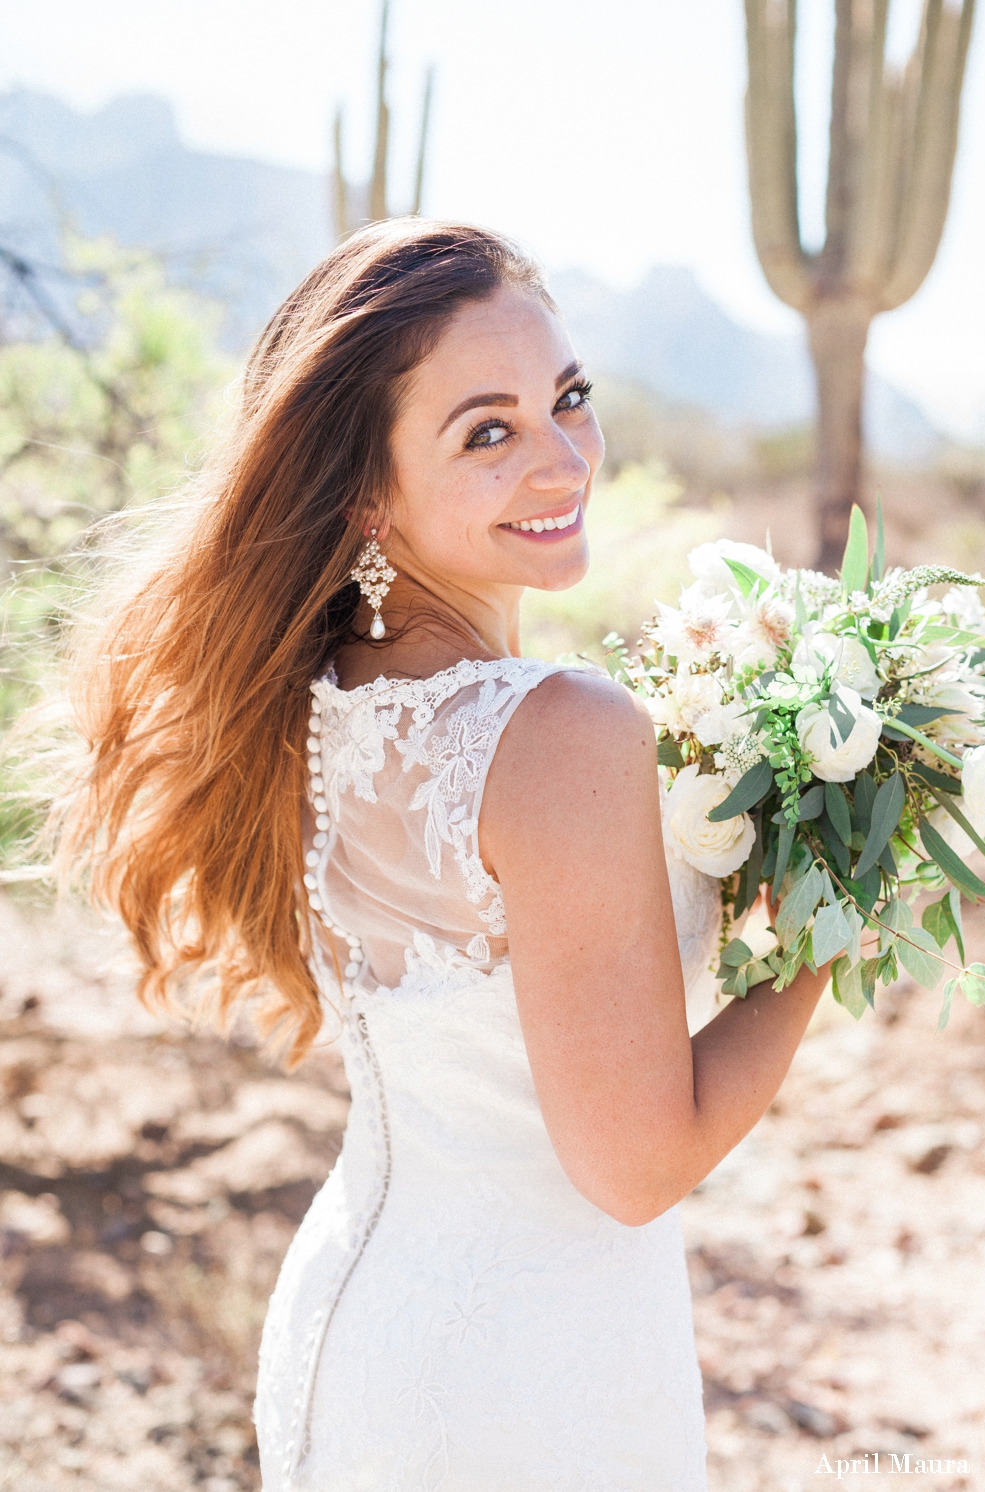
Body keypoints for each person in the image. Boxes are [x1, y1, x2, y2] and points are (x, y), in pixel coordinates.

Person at [57, 219, 832, 1490]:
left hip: (363, 1328)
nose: (561, 458)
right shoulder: (560, 731)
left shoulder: (319, 712)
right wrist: (836, 928)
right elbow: (636, 1165)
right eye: (488, 431)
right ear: (365, 491)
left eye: (567, 400)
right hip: (533, 1381)